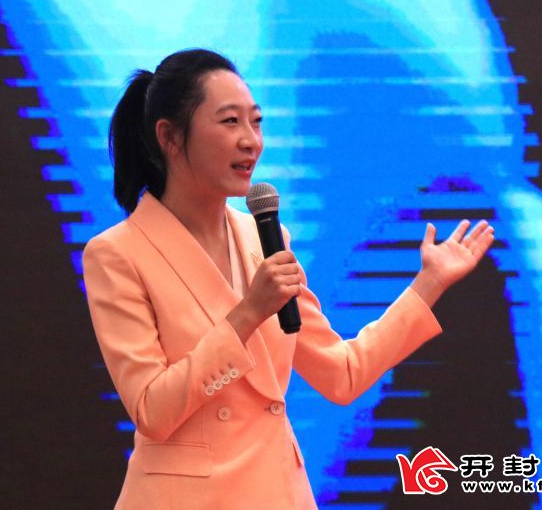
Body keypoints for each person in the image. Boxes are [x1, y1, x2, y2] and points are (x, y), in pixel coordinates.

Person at [82, 48, 495, 509]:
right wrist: (247, 314)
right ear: (170, 137)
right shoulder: (118, 254)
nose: (251, 141)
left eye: (256, 122)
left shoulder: (266, 237)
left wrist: (428, 284)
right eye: (230, 122)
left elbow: (342, 373)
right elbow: (152, 410)